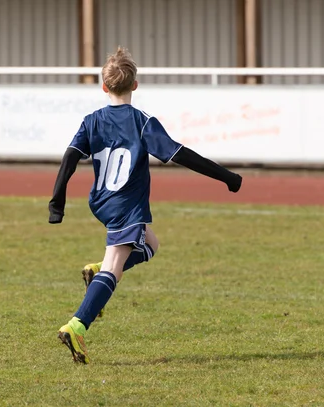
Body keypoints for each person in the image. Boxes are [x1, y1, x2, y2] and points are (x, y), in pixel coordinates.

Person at [48, 46, 243, 364]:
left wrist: (57, 203)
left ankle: (98, 272)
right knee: (114, 268)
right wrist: (226, 177)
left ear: (104, 86)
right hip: (126, 204)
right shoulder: (142, 122)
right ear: (135, 85)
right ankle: (76, 326)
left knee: (151, 244)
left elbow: (70, 157)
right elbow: (181, 153)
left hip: (101, 201)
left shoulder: (91, 121)